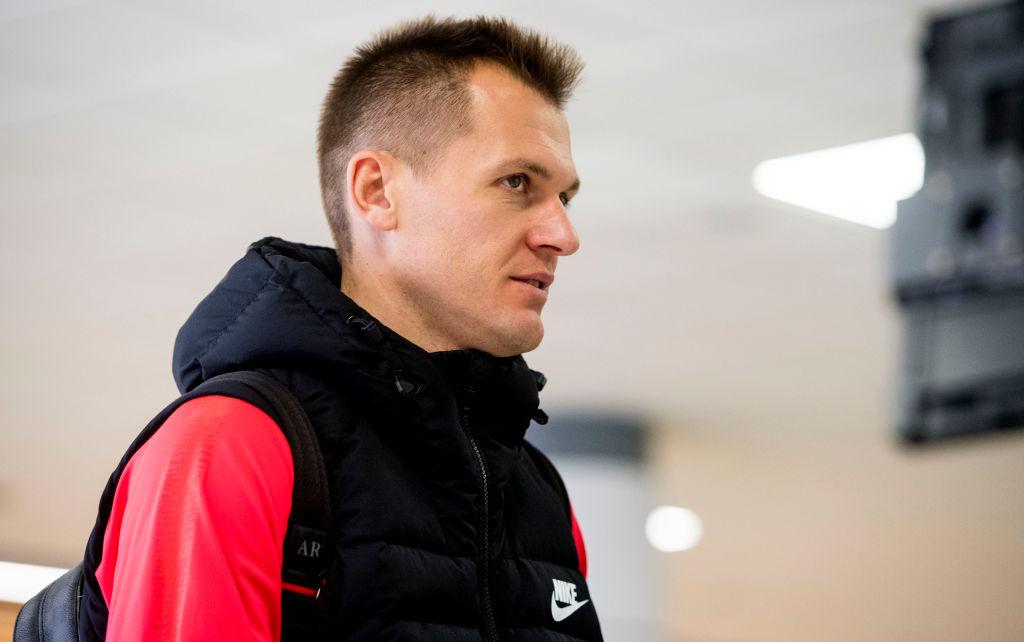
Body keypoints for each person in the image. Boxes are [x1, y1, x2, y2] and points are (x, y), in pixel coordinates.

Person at [85, 15, 602, 642]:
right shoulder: (230, 443)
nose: (563, 236)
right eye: (516, 182)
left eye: (564, 198)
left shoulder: (535, 488)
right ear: (376, 190)